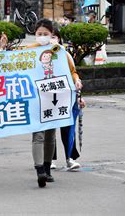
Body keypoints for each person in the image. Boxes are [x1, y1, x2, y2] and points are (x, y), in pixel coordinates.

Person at [23, 19, 83, 188]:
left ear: (52, 35)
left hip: (54, 98)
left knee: (50, 135)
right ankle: (39, 169)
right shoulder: (28, 52)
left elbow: (72, 71)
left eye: (46, 34)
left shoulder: (60, 52)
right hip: (35, 99)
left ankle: (48, 167)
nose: (42, 37)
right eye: (39, 34)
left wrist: (76, 81)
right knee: (38, 134)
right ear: (34, 34)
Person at [51, 28, 85, 170]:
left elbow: (73, 73)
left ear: (59, 39)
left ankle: (69, 158)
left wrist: (77, 85)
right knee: (49, 130)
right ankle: (49, 160)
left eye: (54, 36)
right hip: (47, 97)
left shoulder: (65, 55)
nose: (51, 39)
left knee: (67, 128)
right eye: (47, 36)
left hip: (65, 96)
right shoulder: (38, 55)